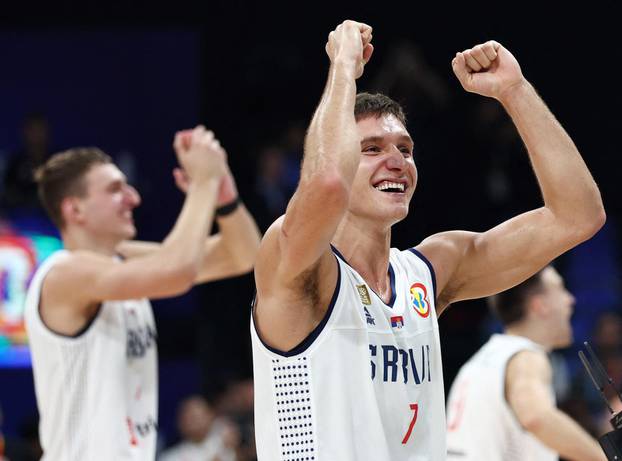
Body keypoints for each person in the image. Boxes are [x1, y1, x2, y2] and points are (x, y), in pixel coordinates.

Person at [250, 20, 605, 460]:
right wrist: (342, 66)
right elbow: (325, 184)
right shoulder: (297, 263)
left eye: (405, 148)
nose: (397, 161)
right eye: (372, 149)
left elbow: (578, 215)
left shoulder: (429, 271)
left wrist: (514, 91)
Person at [24, 126, 261, 460]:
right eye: (115, 189)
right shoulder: (65, 273)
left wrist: (223, 195)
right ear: (74, 210)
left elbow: (242, 254)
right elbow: (176, 272)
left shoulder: (121, 264)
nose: (133, 198)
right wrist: (202, 184)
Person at [446, 266, 605, 460]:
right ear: (540, 305)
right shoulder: (525, 356)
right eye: (561, 288)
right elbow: (536, 416)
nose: (570, 300)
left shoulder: (483, 359)